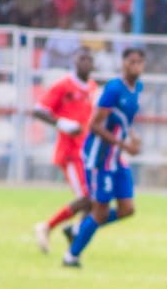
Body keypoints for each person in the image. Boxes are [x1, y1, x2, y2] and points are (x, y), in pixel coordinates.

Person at [62, 47, 145, 268]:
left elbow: (123, 121)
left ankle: (79, 229)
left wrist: (133, 137)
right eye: (131, 61)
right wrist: (124, 144)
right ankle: (71, 256)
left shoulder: (138, 88)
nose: (135, 65)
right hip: (100, 158)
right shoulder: (113, 89)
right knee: (100, 211)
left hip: (116, 158)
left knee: (128, 209)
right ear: (124, 63)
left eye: (139, 62)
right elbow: (94, 125)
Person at [33, 49, 99, 253]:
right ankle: (47, 227)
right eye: (82, 58)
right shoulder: (63, 85)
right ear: (74, 61)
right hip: (70, 152)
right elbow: (39, 110)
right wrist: (62, 123)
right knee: (89, 197)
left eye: (89, 58)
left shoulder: (92, 87)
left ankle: (75, 230)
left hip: (87, 151)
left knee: (94, 200)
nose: (86, 62)